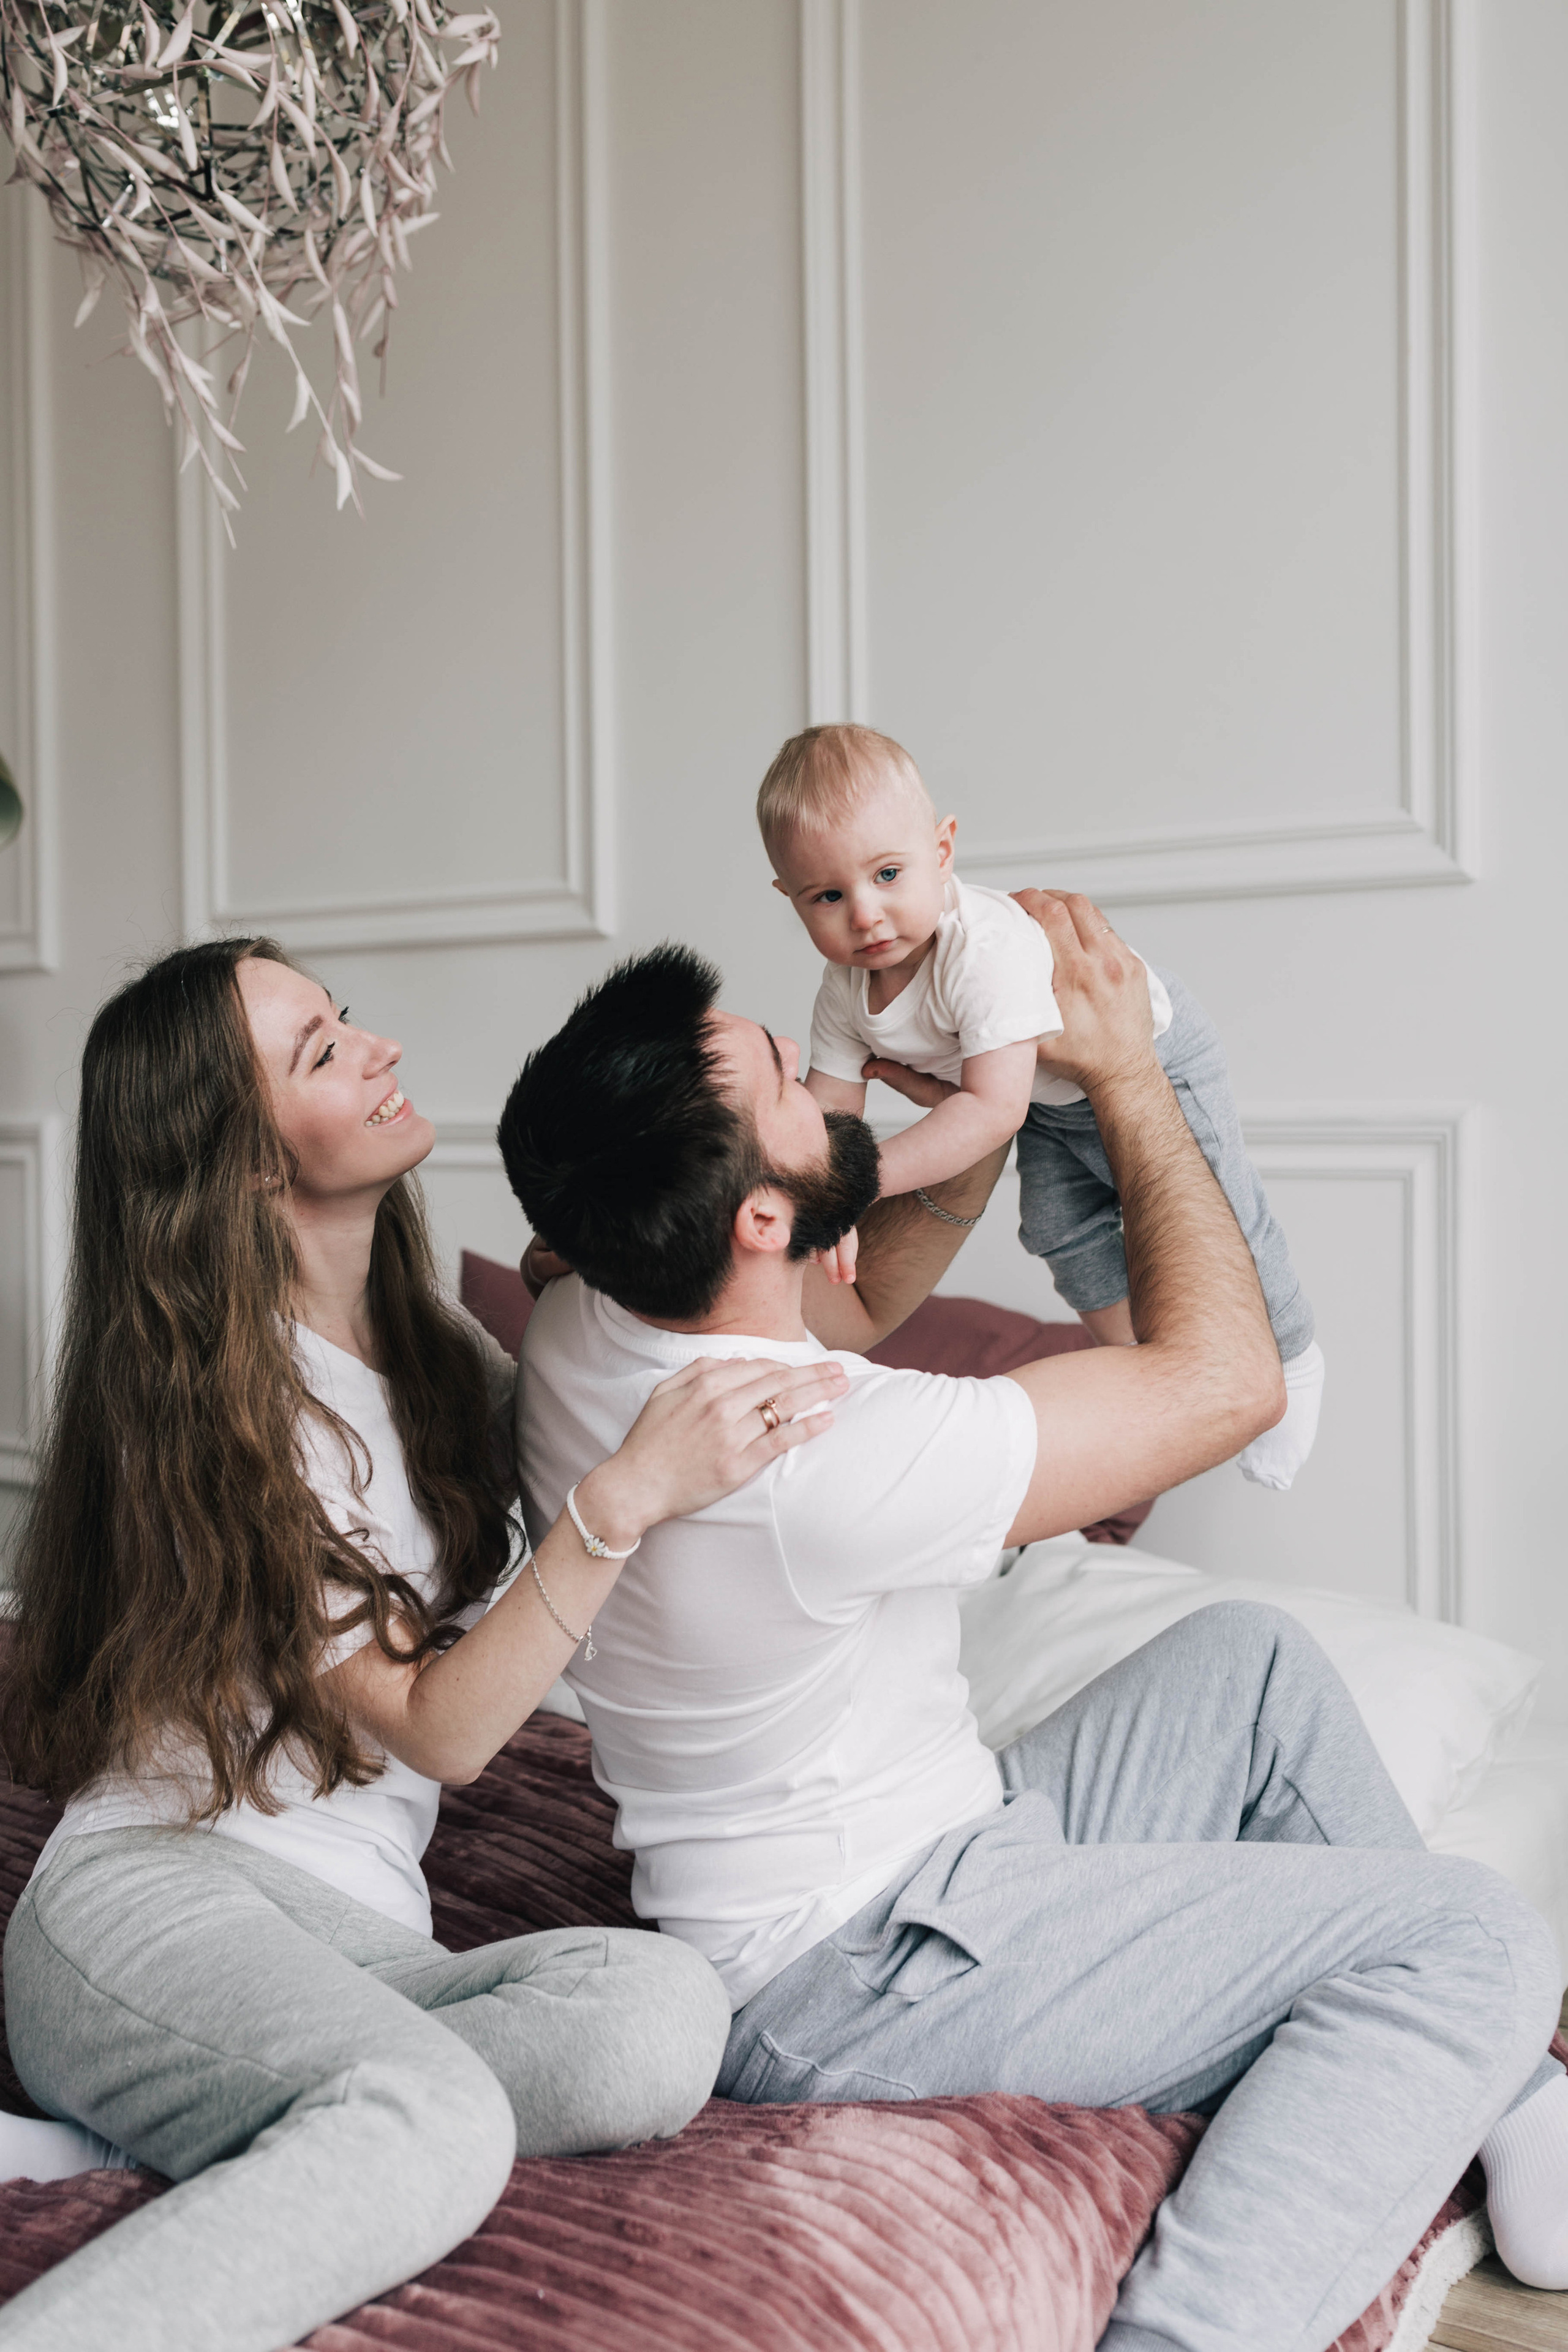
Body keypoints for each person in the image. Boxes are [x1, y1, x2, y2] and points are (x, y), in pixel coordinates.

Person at [499, 899, 1568, 2352]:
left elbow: (851, 1291)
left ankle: (1516, 2122)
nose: (816, 1072)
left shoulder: (587, 1306)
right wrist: (1124, 1075)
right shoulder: (819, 1453)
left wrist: (981, 1099)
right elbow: (1224, 1381)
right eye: (782, 1073)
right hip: (859, 1975)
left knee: (1245, 1665)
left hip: (910, 1863)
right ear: (758, 1220)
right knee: (1471, 1938)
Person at [0, 937, 848, 2352]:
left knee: (652, 2015)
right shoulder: (232, 1412)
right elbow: (444, 1726)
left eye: (345, 1020)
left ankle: (192, 2131)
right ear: (246, 1159)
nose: (379, 1045)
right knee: (432, 2113)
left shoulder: (432, 1346)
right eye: (322, 1051)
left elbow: (791, 1324)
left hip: (354, 1944)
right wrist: (619, 1496)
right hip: (159, 1898)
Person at [758, 720, 1323, 1490]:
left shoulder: (980, 950)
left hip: (1147, 1057)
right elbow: (831, 1115)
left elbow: (991, 1112)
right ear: (788, 897)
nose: (864, 914)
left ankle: (1293, 1355)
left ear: (942, 850)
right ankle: (1145, 1363)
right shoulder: (844, 991)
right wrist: (825, 1199)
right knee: (1054, 1226)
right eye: (827, 894)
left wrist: (859, 1184)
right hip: (1056, 1101)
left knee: (1222, 1216)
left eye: (888, 874)